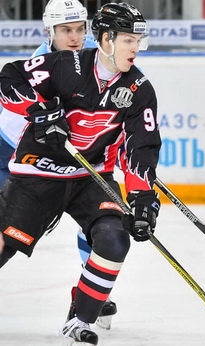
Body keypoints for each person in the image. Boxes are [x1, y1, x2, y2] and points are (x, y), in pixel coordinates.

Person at [0, 2, 161, 345]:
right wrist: (39, 111)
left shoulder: (139, 89)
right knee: (4, 245)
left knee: (115, 238)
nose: (135, 48)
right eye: (128, 40)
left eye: (138, 41)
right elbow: (8, 78)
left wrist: (143, 197)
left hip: (91, 178)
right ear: (105, 39)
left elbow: (141, 146)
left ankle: (81, 318)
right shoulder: (65, 65)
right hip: (38, 173)